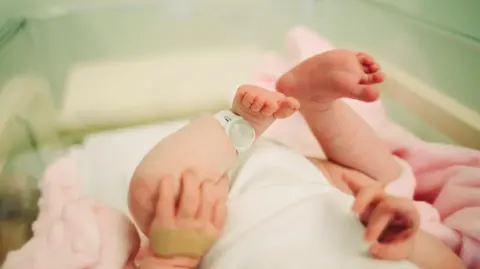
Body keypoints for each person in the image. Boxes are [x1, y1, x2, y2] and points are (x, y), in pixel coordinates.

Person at [129, 50, 465, 269]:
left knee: (156, 193)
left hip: (214, 216)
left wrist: (172, 256)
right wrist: (407, 240)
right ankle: (316, 104)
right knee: (387, 179)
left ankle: (239, 126)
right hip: (348, 208)